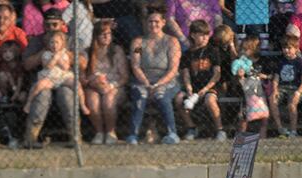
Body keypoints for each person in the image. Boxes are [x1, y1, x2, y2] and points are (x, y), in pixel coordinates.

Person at [126, 4, 182, 145]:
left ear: (163, 22)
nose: (153, 24)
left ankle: (172, 133)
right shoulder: (138, 42)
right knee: (141, 95)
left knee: (161, 95)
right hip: (143, 79)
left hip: (167, 80)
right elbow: (136, 66)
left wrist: (158, 84)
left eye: (157, 21)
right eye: (150, 21)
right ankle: (133, 135)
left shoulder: (171, 42)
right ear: (146, 22)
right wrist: (146, 83)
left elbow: (173, 69)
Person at [22, 8, 78, 147]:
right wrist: (45, 51)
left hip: (64, 79)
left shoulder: (71, 39)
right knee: (42, 95)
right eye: (47, 25)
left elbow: (83, 63)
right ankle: (31, 138)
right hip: (44, 79)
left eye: (55, 24)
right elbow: (26, 65)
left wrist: (64, 52)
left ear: (62, 24)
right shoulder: (36, 41)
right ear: (43, 25)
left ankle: (75, 137)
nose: (51, 28)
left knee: (66, 94)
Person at [175, 19, 226, 142]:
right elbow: (186, 74)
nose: (205, 37)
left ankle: (220, 129)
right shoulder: (188, 54)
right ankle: (191, 127)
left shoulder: (213, 51)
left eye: (207, 34)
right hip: (194, 87)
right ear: (193, 35)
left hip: (211, 86)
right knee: (179, 99)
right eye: (202, 35)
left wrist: (205, 89)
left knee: (210, 100)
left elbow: (217, 74)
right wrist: (189, 88)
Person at [84, 19, 129, 144]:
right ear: (95, 35)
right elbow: (84, 76)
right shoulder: (88, 52)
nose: (105, 36)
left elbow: (124, 77)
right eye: (102, 33)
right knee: (93, 102)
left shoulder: (117, 50)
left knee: (108, 100)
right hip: (93, 86)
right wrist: (94, 82)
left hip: (115, 85)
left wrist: (111, 85)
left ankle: (110, 132)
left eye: (108, 33)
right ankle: (99, 132)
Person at [23, 30, 89, 115]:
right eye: (52, 43)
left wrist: (59, 58)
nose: (54, 45)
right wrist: (55, 58)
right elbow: (48, 66)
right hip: (49, 77)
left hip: (63, 77)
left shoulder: (65, 54)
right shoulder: (46, 54)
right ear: (48, 44)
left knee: (77, 84)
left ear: (62, 44)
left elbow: (66, 67)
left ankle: (83, 105)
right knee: (39, 86)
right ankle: (28, 103)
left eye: (57, 42)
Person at [269, 34, 302, 137]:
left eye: (289, 48)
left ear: (296, 49)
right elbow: (276, 78)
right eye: (284, 48)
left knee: (292, 105)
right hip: (282, 87)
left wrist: (298, 92)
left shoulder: (300, 63)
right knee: (272, 99)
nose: (286, 50)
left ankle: (293, 130)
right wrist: (275, 90)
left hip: (295, 88)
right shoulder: (281, 61)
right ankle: (280, 128)